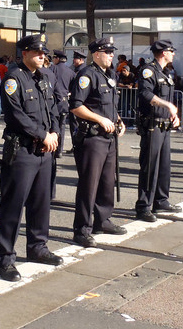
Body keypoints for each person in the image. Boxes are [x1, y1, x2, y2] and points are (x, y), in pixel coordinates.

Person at [0, 34, 63, 282]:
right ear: (24, 53)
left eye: (43, 52)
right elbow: (16, 115)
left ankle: (38, 247)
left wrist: (54, 132)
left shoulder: (45, 77)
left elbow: (53, 108)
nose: (42, 56)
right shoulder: (14, 79)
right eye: (37, 52)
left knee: (41, 203)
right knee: (13, 206)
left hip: (44, 150)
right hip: (22, 150)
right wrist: (42, 134)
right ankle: (5, 259)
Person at [69, 36, 126, 247]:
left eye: (112, 52)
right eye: (107, 52)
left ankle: (103, 220)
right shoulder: (87, 75)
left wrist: (118, 120)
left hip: (108, 137)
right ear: (96, 54)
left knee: (106, 182)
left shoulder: (109, 75)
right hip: (92, 138)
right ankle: (82, 228)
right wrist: (100, 119)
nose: (111, 55)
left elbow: (109, 105)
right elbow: (76, 105)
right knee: (88, 185)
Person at [134, 40, 182, 222]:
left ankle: (161, 200)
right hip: (152, 125)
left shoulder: (166, 72)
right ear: (163, 53)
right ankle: (143, 206)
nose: (173, 54)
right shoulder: (149, 70)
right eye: (171, 51)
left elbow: (166, 99)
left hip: (164, 124)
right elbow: (145, 94)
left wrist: (172, 114)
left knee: (164, 166)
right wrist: (167, 105)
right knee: (150, 167)